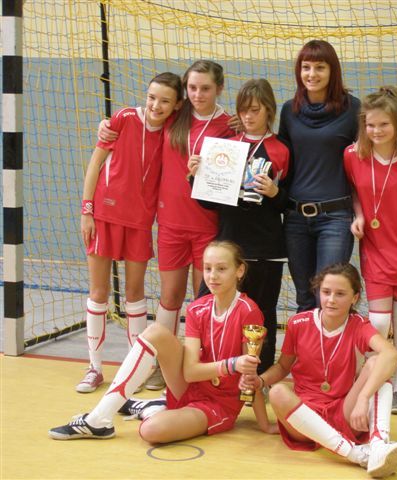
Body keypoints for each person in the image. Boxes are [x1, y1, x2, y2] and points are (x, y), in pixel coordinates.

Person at [98, 60, 236, 390]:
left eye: (205, 88)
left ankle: (204, 368)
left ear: (219, 88)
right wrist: (107, 126)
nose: (198, 94)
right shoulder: (175, 114)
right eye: (192, 88)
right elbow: (142, 116)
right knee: (170, 296)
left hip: (208, 226)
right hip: (171, 223)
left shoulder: (228, 126)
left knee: (205, 300)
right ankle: (161, 364)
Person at [49, 241, 274, 442]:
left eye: (221, 269)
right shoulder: (197, 308)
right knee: (156, 332)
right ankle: (99, 419)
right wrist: (232, 364)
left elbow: (249, 377)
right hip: (190, 386)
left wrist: (263, 424)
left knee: (150, 431)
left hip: (218, 404)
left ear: (239, 270)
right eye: (207, 268)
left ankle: (150, 406)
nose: (213, 276)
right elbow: (190, 373)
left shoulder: (249, 312)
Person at [241, 263, 397, 478]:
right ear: (318, 292)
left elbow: (391, 354)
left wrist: (363, 398)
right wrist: (260, 381)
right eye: (326, 292)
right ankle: (357, 454)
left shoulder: (358, 324)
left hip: (343, 412)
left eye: (340, 294)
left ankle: (378, 445)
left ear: (354, 297)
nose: (331, 299)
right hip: (305, 417)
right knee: (277, 391)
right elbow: (283, 367)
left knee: (377, 363)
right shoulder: (298, 323)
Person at [76, 72, 183, 394]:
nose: (156, 105)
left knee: (135, 294)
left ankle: (133, 369)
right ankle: (94, 368)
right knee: (98, 292)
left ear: (177, 105)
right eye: (152, 97)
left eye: (164, 101)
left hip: (140, 223)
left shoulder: (175, 129)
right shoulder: (124, 118)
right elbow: (95, 164)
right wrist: (87, 211)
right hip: (104, 216)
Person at [188, 78, 291, 373]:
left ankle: (260, 379)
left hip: (266, 248)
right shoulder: (226, 147)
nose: (248, 116)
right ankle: (207, 371)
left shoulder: (281, 149)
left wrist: (275, 193)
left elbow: (289, 203)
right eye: (243, 110)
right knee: (206, 306)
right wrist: (195, 178)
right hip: (229, 244)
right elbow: (209, 203)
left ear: (269, 110)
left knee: (262, 315)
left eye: (255, 110)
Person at [343, 86, 397, 415]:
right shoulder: (353, 155)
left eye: (384, 125)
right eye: (370, 125)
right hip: (375, 246)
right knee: (378, 321)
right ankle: (375, 380)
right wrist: (359, 215)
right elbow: (354, 190)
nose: (376, 131)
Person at [278, 40, 361, 312]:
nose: (311, 74)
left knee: (328, 299)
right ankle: (306, 343)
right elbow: (280, 158)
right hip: (295, 219)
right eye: (306, 67)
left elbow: (373, 147)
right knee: (305, 298)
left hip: (335, 219)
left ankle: (335, 342)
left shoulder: (353, 109)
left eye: (320, 67)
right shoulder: (289, 110)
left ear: (332, 70)